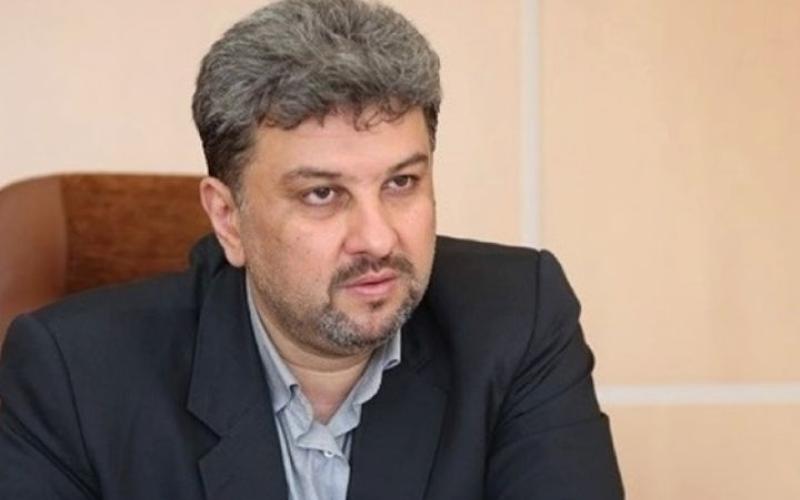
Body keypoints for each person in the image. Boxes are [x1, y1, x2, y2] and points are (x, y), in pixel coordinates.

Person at [0, 0, 623, 498]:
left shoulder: (516, 320)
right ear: (228, 218)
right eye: (323, 194)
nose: (378, 238)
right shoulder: (71, 375)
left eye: (401, 183)